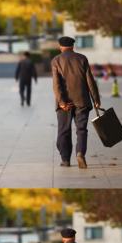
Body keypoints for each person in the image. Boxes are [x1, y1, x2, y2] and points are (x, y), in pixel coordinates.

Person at [51, 36, 101, 169]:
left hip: (65, 104)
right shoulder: (82, 58)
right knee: (81, 130)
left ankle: (65, 160)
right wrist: (96, 99)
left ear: (60, 47)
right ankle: (80, 153)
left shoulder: (56, 60)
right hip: (82, 100)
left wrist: (61, 102)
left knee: (63, 131)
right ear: (73, 46)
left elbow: (56, 84)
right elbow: (90, 81)